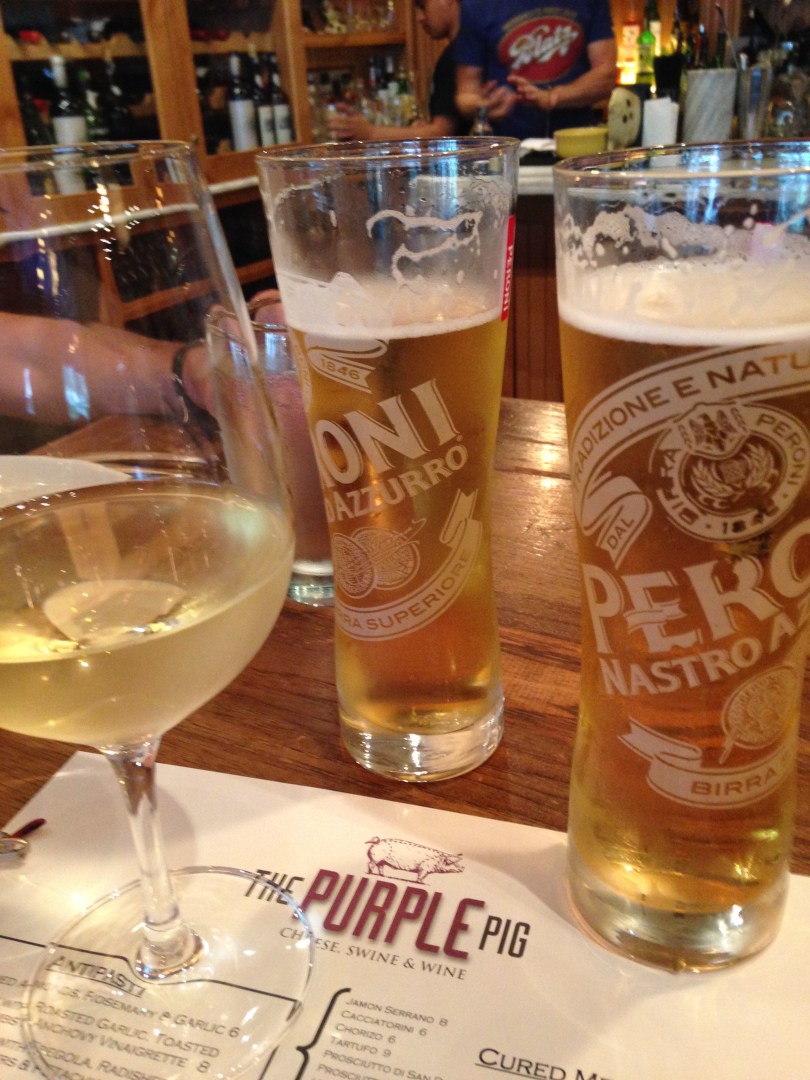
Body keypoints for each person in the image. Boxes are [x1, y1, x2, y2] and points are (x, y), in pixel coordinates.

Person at [454, 1, 617, 140]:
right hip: (509, 149)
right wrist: (486, 107)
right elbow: (466, 96)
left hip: (578, 143)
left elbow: (606, 76)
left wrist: (552, 98)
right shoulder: (477, 6)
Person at [328, 0, 465, 141]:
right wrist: (420, 130)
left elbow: (442, 134)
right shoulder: (464, 51)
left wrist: (369, 133)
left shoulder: (457, 57)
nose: (419, 18)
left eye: (423, 6)